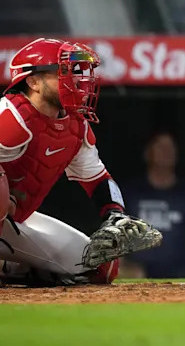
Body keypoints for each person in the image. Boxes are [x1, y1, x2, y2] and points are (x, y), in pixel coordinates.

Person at [0, 39, 161, 285]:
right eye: (63, 72)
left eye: (75, 72)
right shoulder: (11, 116)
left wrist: (116, 215)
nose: (74, 80)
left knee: (99, 267)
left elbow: (97, 178)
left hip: (14, 223)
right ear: (33, 82)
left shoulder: (74, 126)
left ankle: (8, 268)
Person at [123, 131, 185, 279]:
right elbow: (115, 233)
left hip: (181, 275)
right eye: (160, 147)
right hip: (136, 275)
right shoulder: (130, 193)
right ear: (147, 153)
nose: (166, 152)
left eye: (170, 148)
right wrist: (120, 270)